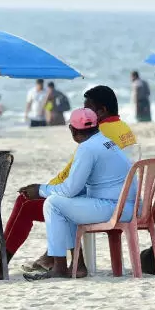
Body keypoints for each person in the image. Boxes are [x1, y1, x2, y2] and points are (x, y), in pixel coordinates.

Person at [0, 85, 138, 282]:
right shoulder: (121, 129)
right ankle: (71, 262)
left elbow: (71, 177)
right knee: (61, 202)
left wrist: (42, 189)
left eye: (88, 108)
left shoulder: (96, 138)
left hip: (110, 204)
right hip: (122, 199)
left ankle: (5, 264)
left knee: (33, 203)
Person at [21, 107, 137, 281]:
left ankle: (59, 267)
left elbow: (69, 189)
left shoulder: (87, 148)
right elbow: (76, 189)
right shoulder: (106, 141)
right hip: (127, 205)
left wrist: (39, 190)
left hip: (115, 207)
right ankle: (78, 266)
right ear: (96, 125)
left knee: (53, 203)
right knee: (66, 202)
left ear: (72, 130)